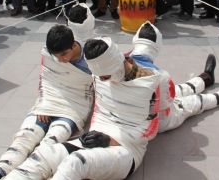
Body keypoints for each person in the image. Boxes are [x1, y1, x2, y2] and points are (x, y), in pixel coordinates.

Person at [0, 25, 94, 180]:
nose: (60, 60)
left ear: (74, 45)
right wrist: (45, 104)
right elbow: (46, 81)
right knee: (25, 136)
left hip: (74, 108)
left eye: (64, 54)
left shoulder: (92, 58)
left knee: (52, 140)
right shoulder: (47, 53)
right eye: (56, 56)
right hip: (47, 103)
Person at [46, 37, 162, 180]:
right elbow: (99, 111)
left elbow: (149, 131)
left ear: (115, 64)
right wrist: (94, 134)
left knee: (76, 162)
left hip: (127, 149)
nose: (102, 80)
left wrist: (108, 141)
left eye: (105, 76)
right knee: (46, 155)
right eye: (98, 76)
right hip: (99, 135)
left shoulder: (148, 84)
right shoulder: (100, 74)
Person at [130, 22, 219, 133]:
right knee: (198, 101)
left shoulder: (119, 65)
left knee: (181, 89)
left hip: (137, 112)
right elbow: (167, 103)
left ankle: (205, 78)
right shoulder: (161, 76)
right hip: (159, 120)